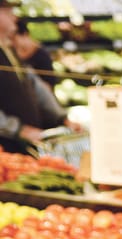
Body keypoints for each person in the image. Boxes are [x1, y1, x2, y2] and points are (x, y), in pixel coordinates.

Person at [0, 0, 76, 151]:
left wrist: (62, 118)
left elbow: (34, 84)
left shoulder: (8, 49)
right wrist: (18, 129)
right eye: (8, 12)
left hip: (26, 145)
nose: (14, 17)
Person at [13, 18, 56, 89]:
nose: (11, 41)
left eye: (13, 38)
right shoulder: (13, 52)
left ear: (24, 34)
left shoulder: (42, 55)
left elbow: (49, 86)